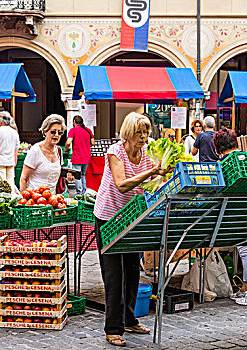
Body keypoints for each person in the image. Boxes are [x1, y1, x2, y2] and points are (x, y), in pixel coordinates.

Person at [93, 112, 174, 347]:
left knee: (132, 272)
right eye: (139, 132)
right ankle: (112, 328)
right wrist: (152, 172)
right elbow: (121, 185)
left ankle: (129, 319)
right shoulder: (115, 152)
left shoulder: (147, 151)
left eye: (146, 132)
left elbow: (154, 182)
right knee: (113, 275)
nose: (143, 137)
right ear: (128, 133)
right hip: (109, 218)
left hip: (132, 219)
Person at [213, 128, 247, 308]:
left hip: (240, 213)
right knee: (245, 249)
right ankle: (244, 288)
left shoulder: (226, 164)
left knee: (245, 250)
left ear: (217, 150)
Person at [21, 114, 72, 194]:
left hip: (53, 200)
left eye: (60, 132)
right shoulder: (35, 151)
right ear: (45, 131)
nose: (56, 135)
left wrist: (67, 176)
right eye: (53, 132)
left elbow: (54, 173)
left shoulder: (59, 151)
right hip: (35, 200)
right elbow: (23, 178)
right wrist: (24, 201)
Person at [65, 115, 95, 195]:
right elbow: (93, 143)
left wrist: (67, 149)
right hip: (86, 156)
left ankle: (79, 193)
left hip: (77, 156)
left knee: (77, 175)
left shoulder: (73, 130)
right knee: (83, 174)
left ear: (74, 122)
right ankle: (84, 192)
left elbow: (68, 142)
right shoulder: (88, 130)